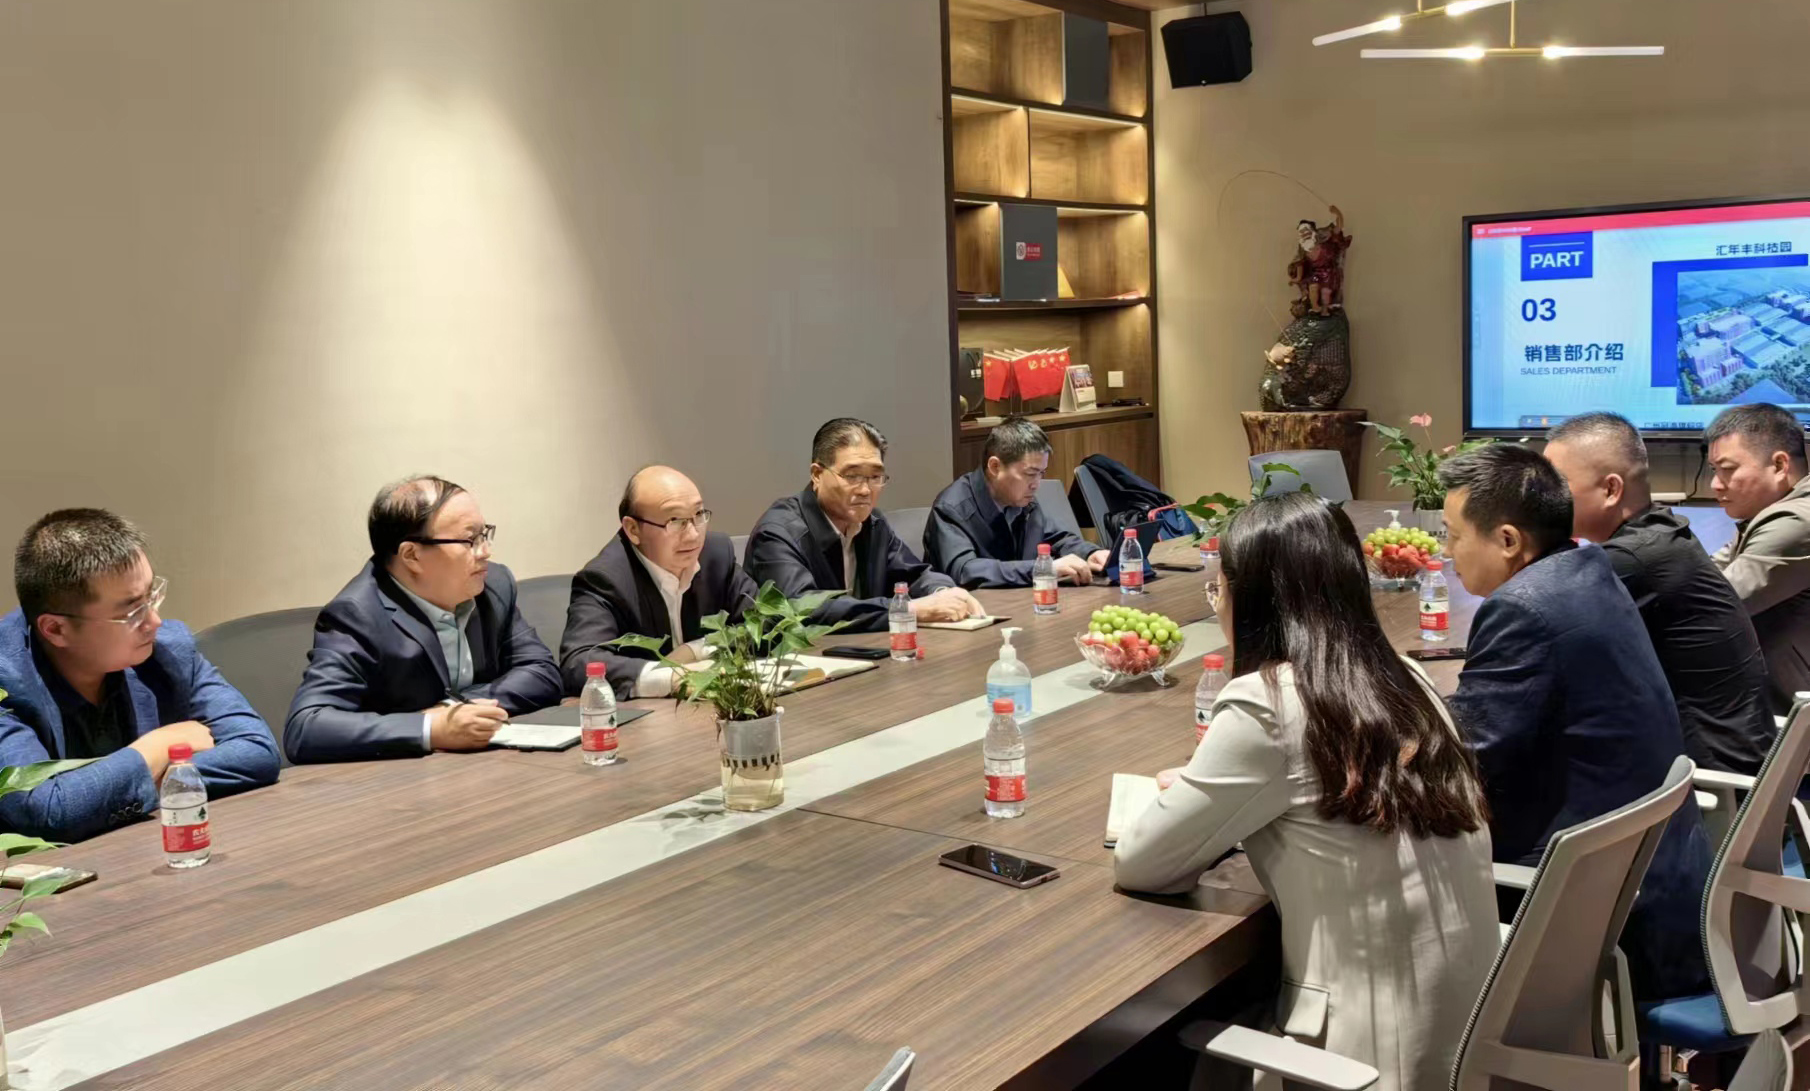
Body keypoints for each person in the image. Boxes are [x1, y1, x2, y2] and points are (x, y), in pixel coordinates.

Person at [1115, 493, 1496, 1091]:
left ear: (1251, 600)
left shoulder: (1266, 703)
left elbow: (1144, 864)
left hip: (1359, 1064)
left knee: (1138, 1055)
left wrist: (1194, 796)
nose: (1219, 604)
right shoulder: (1409, 678)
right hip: (1465, 1042)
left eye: (1219, 590)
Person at [1440, 444, 1711, 1002]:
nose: (1447, 552)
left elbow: (1462, 758)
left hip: (1599, 917)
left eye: (1453, 535)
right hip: (1657, 887)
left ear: (1508, 540)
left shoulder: (1523, 607)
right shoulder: (1588, 569)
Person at [0, 509, 279, 841]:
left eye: (151, 596)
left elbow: (256, 750)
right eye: (132, 610)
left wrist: (115, 791)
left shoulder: (168, 650)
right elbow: (43, 809)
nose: (155, 622)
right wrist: (158, 747)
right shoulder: (6, 678)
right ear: (56, 629)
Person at [1546, 412, 1774, 775]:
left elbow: (1533, 623)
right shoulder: (1661, 533)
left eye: (1556, 486)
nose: (1543, 500)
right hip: (1722, 759)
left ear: (1610, 489)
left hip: (1705, 782)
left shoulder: (1635, 560)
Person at [285, 476, 562, 763]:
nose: (485, 552)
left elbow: (542, 672)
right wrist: (431, 728)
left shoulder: (493, 585)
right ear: (412, 555)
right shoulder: (357, 615)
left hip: (487, 765)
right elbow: (306, 727)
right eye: (470, 540)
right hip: (399, 780)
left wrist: (454, 711)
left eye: (484, 534)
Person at [745, 418, 984, 631]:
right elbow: (805, 610)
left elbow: (914, 575)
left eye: (875, 477)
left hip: (866, 652)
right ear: (817, 474)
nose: (865, 490)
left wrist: (944, 593)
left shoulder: (873, 524)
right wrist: (907, 609)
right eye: (852, 476)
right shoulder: (778, 533)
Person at [559, 466, 758, 699]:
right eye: (675, 521)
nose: (693, 535)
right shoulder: (605, 579)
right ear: (633, 530)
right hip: (647, 717)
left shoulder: (716, 554)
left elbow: (765, 623)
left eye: (698, 514)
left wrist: (694, 651)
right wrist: (673, 678)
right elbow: (578, 661)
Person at [1706, 403, 1810, 715]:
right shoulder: (1770, 512)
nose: (1715, 484)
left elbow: (1712, 606)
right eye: (1713, 470)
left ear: (1779, 465)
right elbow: (1705, 577)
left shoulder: (1796, 521)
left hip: (1793, 718)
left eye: (1727, 469)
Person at [923, 417, 1108, 589]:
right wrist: (1041, 569)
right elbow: (965, 571)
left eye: (1041, 473)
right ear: (995, 467)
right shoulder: (952, 508)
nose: (1036, 484)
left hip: (1021, 602)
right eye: (1030, 474)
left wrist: (1090, 553)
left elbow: (1056, 539)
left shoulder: (1022, 501)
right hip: (971, 608)